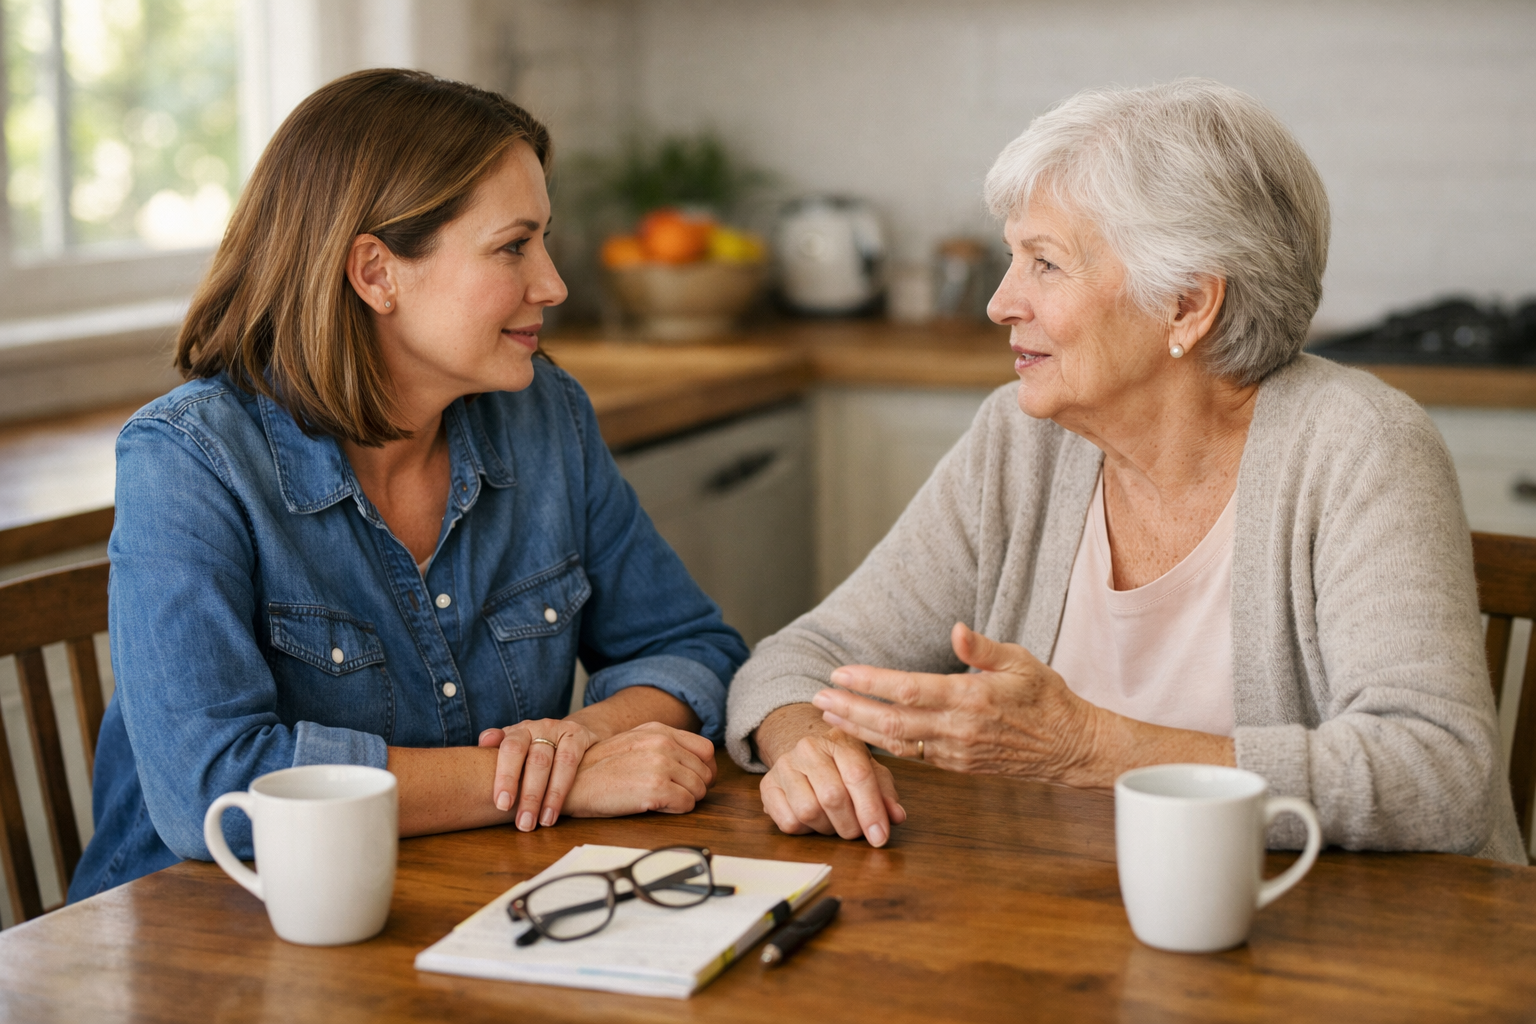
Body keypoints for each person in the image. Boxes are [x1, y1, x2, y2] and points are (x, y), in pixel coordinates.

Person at [726, 79, 1525, 863]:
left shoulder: (1359, 445)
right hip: (1075, 935)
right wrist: (805, 741)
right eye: (1014, 259)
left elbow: (1438, 772)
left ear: (1185, 304)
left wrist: (1090, 749)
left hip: (1352, 952)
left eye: (1045, 264)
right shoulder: (1020, 440)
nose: (1001, 303)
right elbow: (802, 661)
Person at [69, 69, 749, 901]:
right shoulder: (189, 460)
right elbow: (212, 790)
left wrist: (577, 739)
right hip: (203, 944)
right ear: (377, 274)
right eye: (513, 246)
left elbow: (693, 648)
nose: (554, 284)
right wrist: (553, 785)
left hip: (452, 904)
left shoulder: (548, 419)